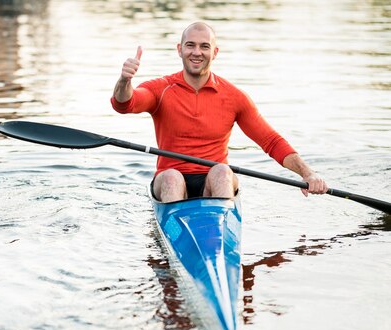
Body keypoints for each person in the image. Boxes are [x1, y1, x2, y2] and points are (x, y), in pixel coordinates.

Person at [111, 21, 328, 202]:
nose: (197, 52)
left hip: (214, 182)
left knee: (222, 171)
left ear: (214, 52)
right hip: (169, 181)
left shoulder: (234, 97)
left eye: (204, 46)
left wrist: (307, 173)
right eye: (190, 45)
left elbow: (271, 142)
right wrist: (124, 81)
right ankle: (178, 234)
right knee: (171, 178)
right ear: (179, 50)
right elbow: (124, 104)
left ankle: (220, 234)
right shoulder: (161, 89)